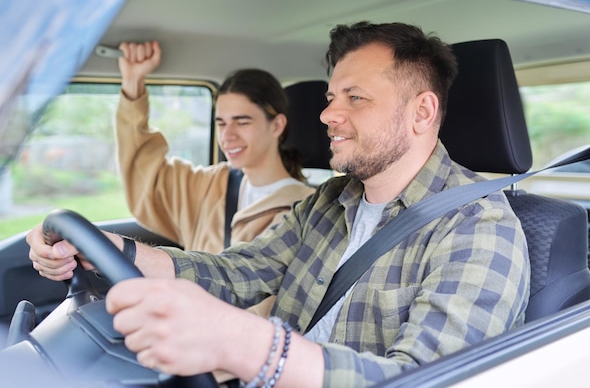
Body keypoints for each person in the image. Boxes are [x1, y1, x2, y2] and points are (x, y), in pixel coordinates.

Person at [29, 21, 530, 388]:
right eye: (332, 96)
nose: (328, 113)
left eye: (354, 97)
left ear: (421, 112)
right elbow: (236, 272)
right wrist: (113, 250)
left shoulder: (479, 229)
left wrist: (247, 344)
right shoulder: (330, 202)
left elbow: (428, 380)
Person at [116, 40, 314, 253]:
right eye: (221, 123)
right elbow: (145, 174)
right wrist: (133, 81)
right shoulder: (209, 186)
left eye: (242, 122)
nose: (227, 135)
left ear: (276, 125)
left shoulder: (305, 207)